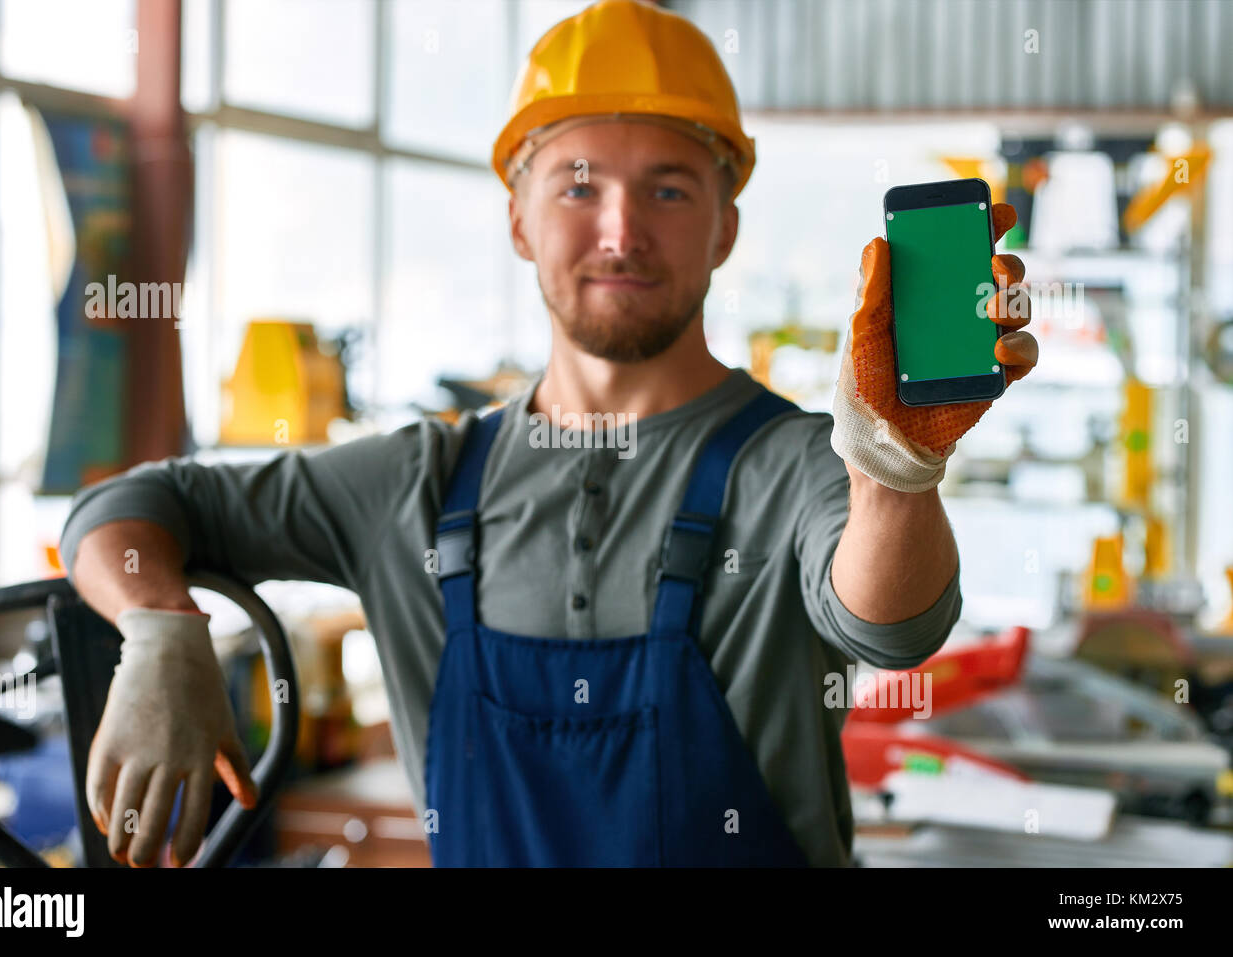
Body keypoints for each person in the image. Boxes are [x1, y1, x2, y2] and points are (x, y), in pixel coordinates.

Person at [60, 0, 1037, 868]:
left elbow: (893, 626)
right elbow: (132, 505)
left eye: (667, 188)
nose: (620, 231)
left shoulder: (792, 466)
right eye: (576, 187)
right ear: (520, 221)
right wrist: (157, 628)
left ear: (724, 229)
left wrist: (894, 469)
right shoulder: (413, 483)